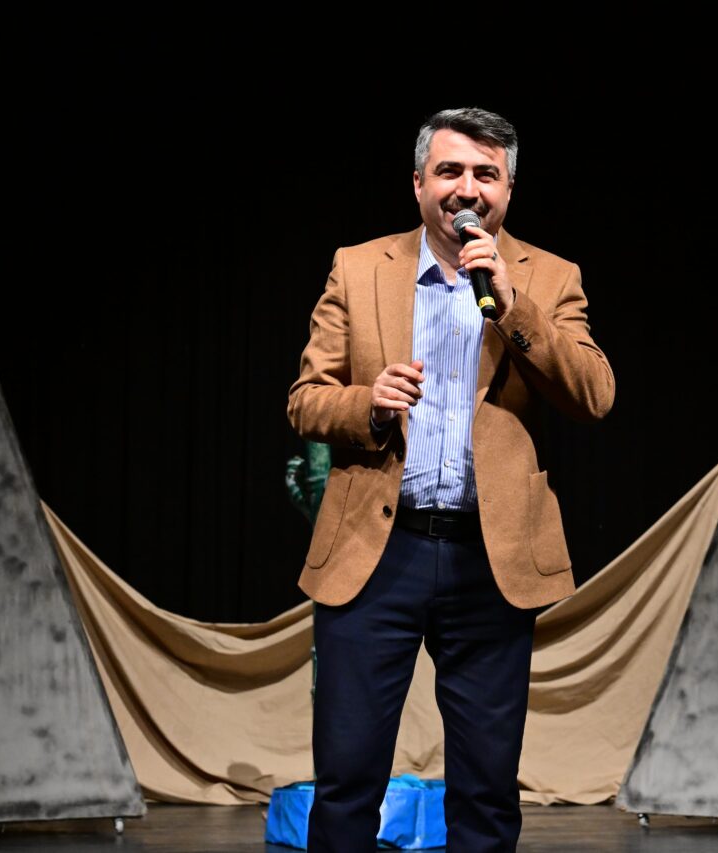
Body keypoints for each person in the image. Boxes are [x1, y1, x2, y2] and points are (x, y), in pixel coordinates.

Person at [287, 107, 615, 852]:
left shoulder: (549, 276)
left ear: (508, 189)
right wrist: (368, 405)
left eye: (485, 174)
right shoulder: (359, 267)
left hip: (490, 560)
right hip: (377, 552)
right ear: (418, 184)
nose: (467, 189)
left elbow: (594, 394)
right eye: (450, 171)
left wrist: (512, 303)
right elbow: (305, 400)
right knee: (346, 783)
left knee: (488, 793)